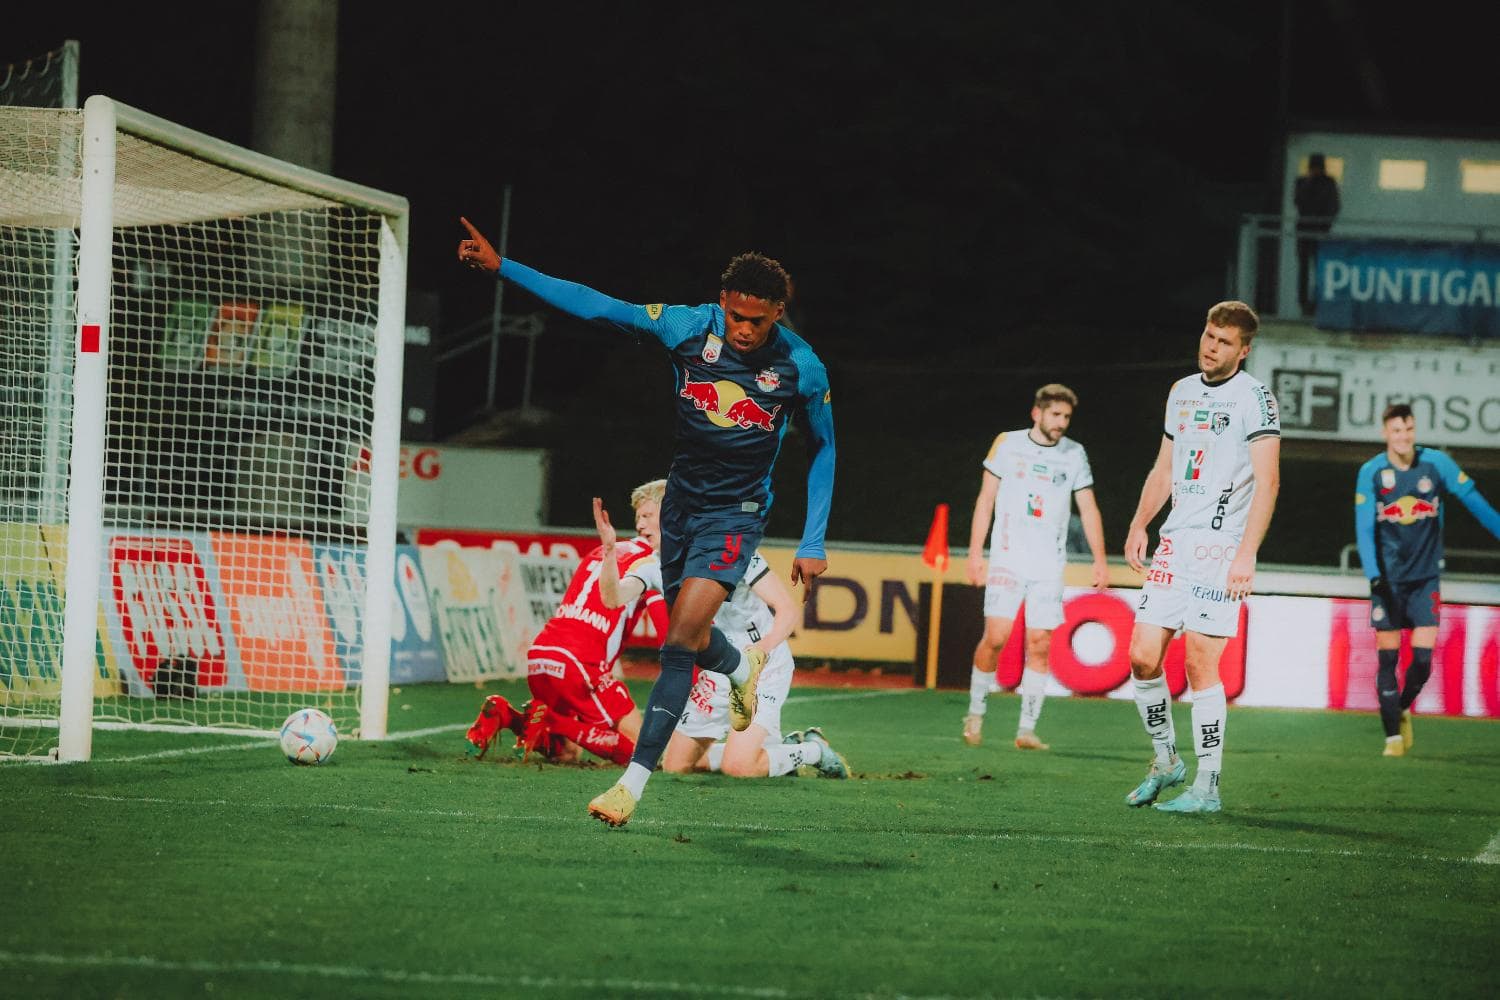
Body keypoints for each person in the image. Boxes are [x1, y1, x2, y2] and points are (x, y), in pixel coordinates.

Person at [458, 220, 835, 828]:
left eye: (757, 321)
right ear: (723, 305)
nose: (743, 330)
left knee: (678, 640)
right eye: (735, 316)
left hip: (736, 516)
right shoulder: (687, 327)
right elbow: (598, 305)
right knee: (689, 638)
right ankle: (740, 664)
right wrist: (506, 268)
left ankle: (630, 786)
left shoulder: (801, 367)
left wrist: (814, 539)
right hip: (681, 505)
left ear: (778, 314)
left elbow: (826, 449)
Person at [1122, 301, 1280, 814]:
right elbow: (1164, 467)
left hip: (1220, 550)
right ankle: (1167, 762)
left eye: (1224, 341)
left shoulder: (1256, 398)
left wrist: (1247, 554)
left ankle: (1208, 786)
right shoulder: (1182, 391)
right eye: (1209, 335)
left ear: (1244, 349)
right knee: (1143, 657)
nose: (1210, 347)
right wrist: (1140, 522)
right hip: (1174, 544)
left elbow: (1269, 481)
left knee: (1199, 664)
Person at [463, 481, 669, 766]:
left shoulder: (603, 552)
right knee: (647, 753)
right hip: (580, 664)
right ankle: (552, 720)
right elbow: (668, 634)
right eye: (640, 516)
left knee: (567, 753)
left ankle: (506, 714)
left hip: (542, 656)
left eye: (648, 515)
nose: (641, 522)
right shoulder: (652, 564)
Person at [962, 383, 1109, 750]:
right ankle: (975, 713)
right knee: (996, 637)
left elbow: (1088, 508)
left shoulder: (1075, 454)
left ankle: (1026, 730)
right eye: (1055, 415)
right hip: (1008, 558)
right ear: (1036, 413)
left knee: (1040, 643)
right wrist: (976, 554)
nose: (1061, 423)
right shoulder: (1007, 444)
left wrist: (1100, 559)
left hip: (1048, 564)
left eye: (1067, 417)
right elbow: (985, 501)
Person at [1354, 403, 1500, 757]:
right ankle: (1391, 738)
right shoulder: (1371, 472)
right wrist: (1374, 577)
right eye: (1396, 431)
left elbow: (1475, 502)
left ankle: (1403, 706)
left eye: (1409, 430)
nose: (1403, 437)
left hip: (1425, 581)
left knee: (1421, 663)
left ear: (1413, 431)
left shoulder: (1436, 465)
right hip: (1387, 582)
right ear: (1385, 433)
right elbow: (1364, 528)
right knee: (1388, 660)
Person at [662, 547, 849, 780]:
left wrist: (762, 648)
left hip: (761, 667)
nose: (641, 525)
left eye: (648, 516)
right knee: (675, 765)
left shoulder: (736, 550)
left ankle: (813, 751)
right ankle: (778, 753)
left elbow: (787, 609)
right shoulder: (669, 559)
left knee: (738, 767)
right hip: (720, 669)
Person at [1294, 153, 1340, 316]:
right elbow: (1298, 201)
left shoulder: (1328, 183)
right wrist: (1309, 182)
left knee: (1320, 268)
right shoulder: (1302, 182)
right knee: (1304, 269)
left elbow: (1333, 206)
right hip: (1305, 231)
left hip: (1320, 231)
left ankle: (1317, 302)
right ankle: (1304, 303)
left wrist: (1325, 223)